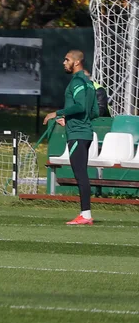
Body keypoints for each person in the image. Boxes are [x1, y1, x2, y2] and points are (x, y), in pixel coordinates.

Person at [44, 51, 98, 225]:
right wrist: (68, 118)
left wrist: (57, 113)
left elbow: (80, 106)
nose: (63, 62)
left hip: (78, 134)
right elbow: (95, 111)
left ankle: (86, 215)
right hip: (85, 132)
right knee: (81, 173)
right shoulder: (89, 84)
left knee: (80, 174)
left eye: (66, 59)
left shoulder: (77, 81)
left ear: (76, 62)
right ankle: (85, 214)